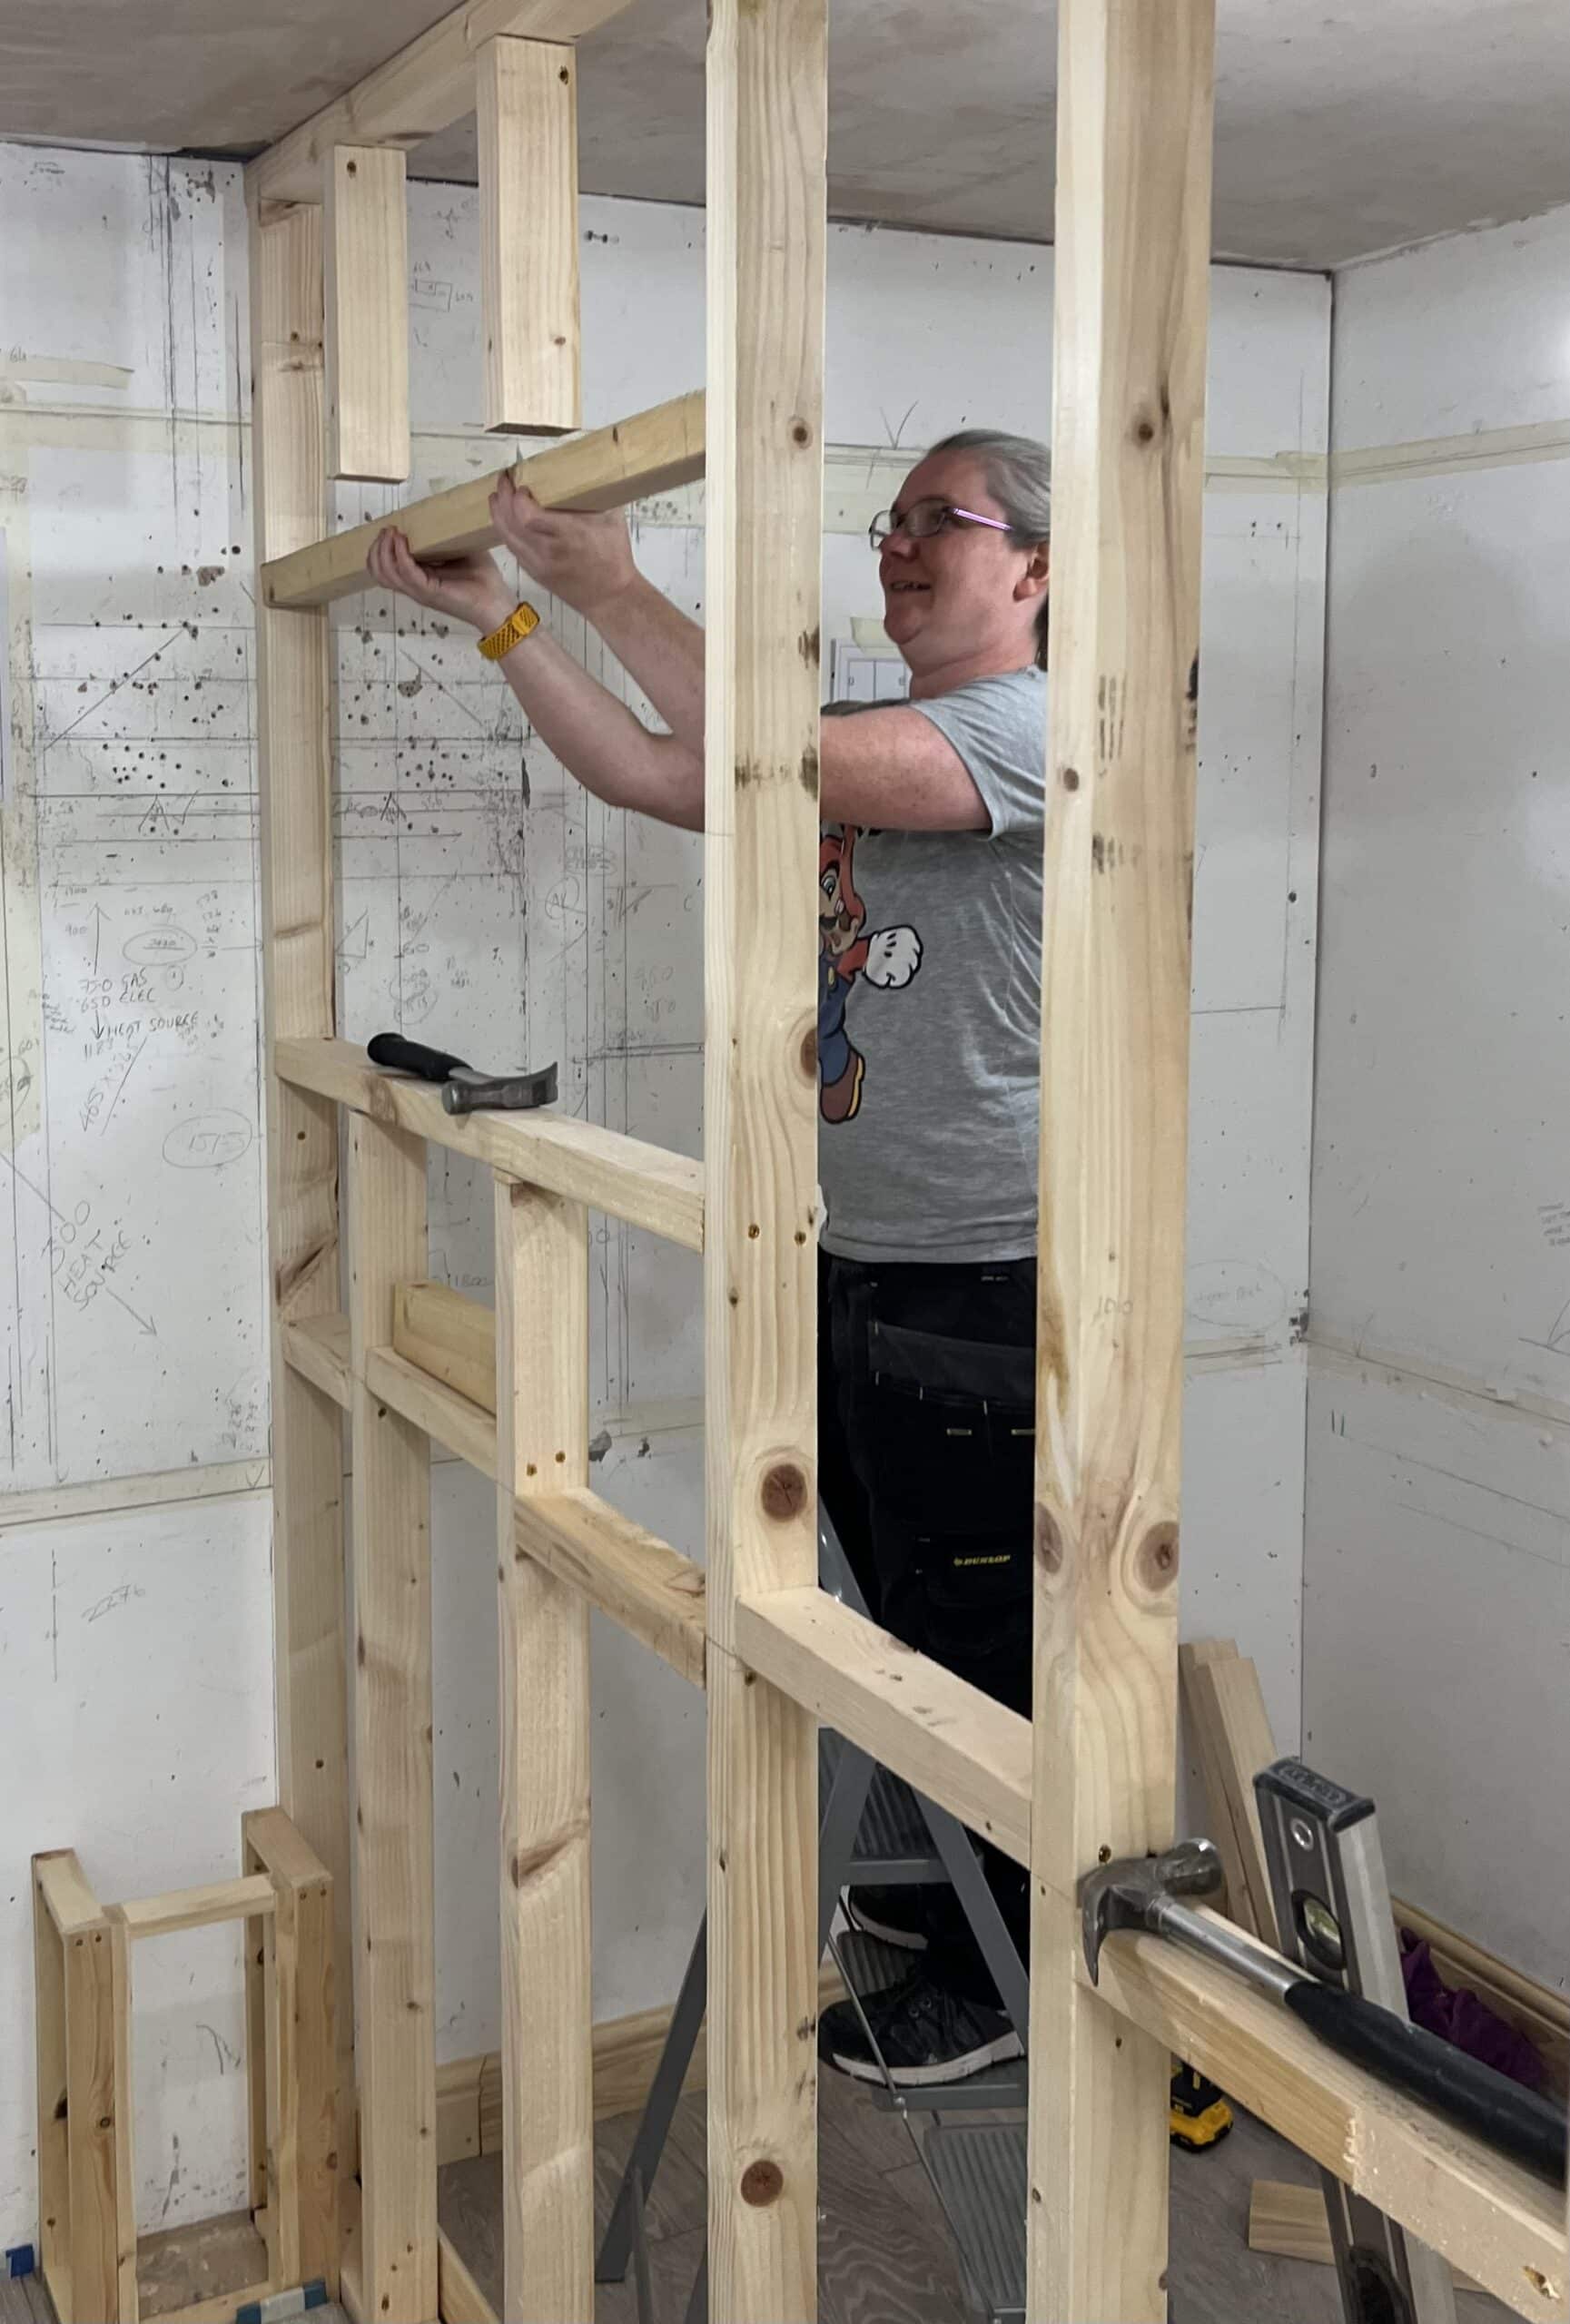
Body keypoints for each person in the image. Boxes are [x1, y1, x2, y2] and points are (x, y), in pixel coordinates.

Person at [367, 426, 1052, 2086]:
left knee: (973, 1641)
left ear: (1035, 568)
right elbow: (660, 772)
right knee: (886, 1606)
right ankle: (955, 1917)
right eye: (887, 521)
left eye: (937, 525)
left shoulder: (1036, 734)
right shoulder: (862, 740)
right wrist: (513, 623)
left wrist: (608, 578)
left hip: (984, 1274)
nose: (897, 545)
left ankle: (1004, 1988)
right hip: (857, 1253)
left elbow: (750, 751)